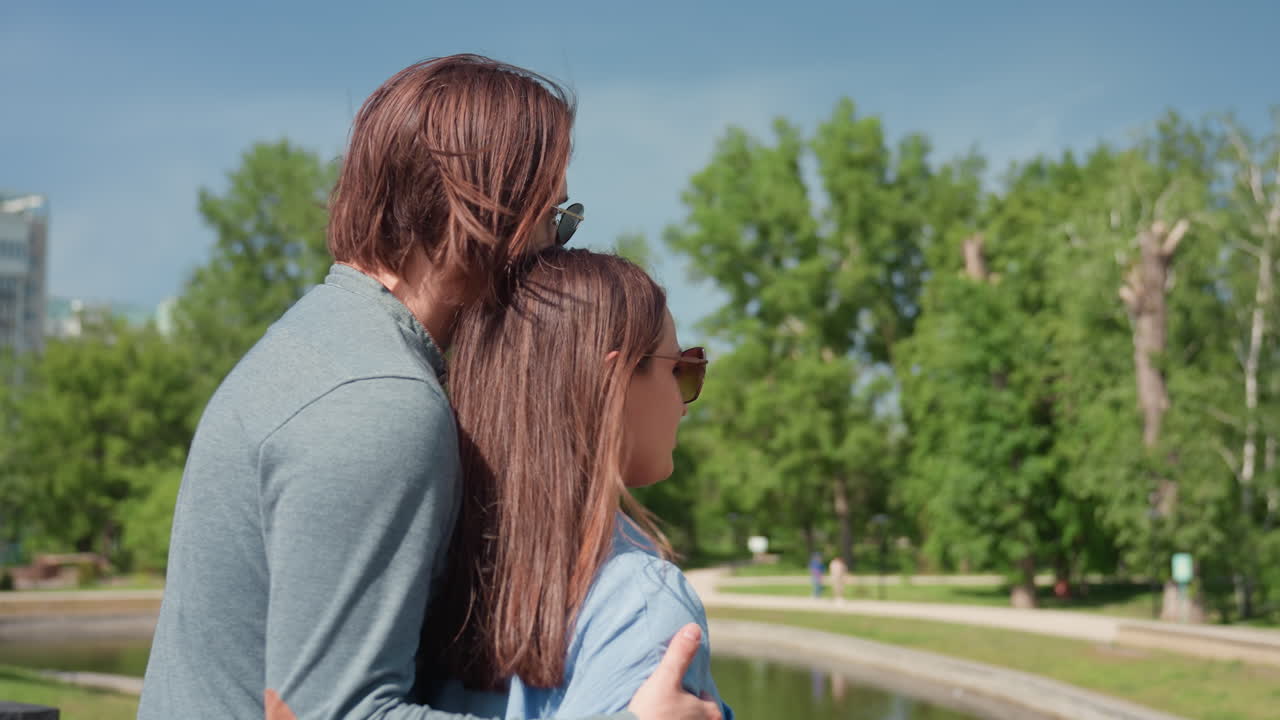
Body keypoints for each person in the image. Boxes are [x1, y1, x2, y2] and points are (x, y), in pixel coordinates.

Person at [138, 54, 719, 720]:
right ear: (484, 211)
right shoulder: (379, 401)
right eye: (553, 218)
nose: (555, 255)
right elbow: (333, 712)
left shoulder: (324, 344)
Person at [419, 248, 732, 720]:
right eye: (680, 369)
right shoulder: (642, 602)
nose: (685, 402)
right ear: (615, 383)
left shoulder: (430, 569)